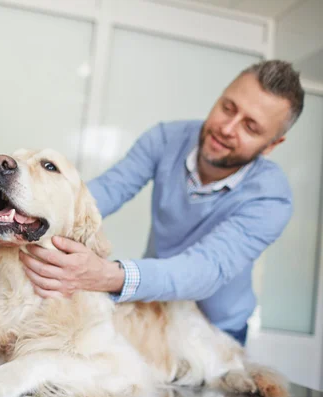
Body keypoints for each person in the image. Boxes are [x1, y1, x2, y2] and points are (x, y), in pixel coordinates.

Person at [19, 60, 304, 346]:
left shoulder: (272, 198)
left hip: (217, 332)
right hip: (155, 313)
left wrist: (106, 275)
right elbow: (106, 191)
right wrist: (31, 212)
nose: (227, 128)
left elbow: (207, 268)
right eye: (228, 108)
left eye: (250, 127)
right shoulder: (166, 138)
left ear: (271, 145)